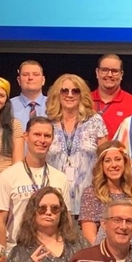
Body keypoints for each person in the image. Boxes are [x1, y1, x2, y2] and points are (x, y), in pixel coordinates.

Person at [0, 116, 70, 244]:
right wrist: (2, 258)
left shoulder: (60, 178)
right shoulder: (7, 177)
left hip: (53, 251)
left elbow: (66, 221)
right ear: (26, 136)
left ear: (52, 139)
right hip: (17, 249)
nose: (42, 140)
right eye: (37, 134)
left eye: (47, 136)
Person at [46, 73, 108, 217]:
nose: (70, 94)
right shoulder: (47, 122)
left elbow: (105, 159)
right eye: (64, 90)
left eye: (75, 91)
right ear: (57, 94)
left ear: (82, 95)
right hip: (54, 199)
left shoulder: (95, 121)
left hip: (89, 199)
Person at [79, 140, 132, 243]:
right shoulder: (92, 193)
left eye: (118, 159)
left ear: (125, 162)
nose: (114, 165)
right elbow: (89, 236)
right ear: (101, 165)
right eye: (107, 161)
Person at [91, 53, 132, 138]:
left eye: (115, 71)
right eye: (105, 70)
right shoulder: (84, 101)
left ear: (121, 74)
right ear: (97, 72)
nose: (109, 75)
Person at [10, 59, 48, 131]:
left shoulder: (55, 105)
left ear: (43, 80)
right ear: (19, 80)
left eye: (36, 74)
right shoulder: (8, 106)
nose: (30, 78)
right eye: (25, 75)